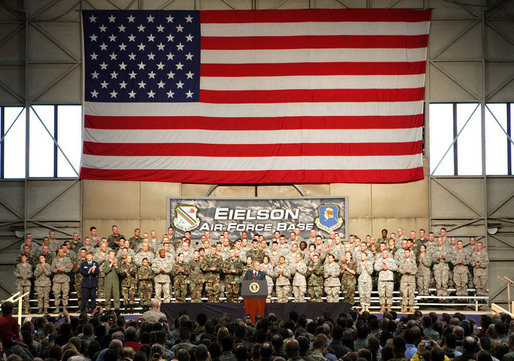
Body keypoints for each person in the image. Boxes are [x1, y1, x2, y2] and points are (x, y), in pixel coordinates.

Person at [51, 247, 73, 313]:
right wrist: (57, 270)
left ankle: (64, 308)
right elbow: (52, 269)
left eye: (62, 252)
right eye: (59, 252)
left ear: (64, 252)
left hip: (65, 279)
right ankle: (57, 308)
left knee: (65, 294)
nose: (61, 253)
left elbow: (69, 269)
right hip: (57, 279)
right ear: (58, 253)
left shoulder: (67, 259)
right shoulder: (54, 260)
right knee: (56, 294)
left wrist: (63, 270)